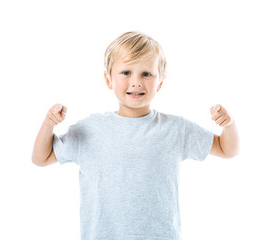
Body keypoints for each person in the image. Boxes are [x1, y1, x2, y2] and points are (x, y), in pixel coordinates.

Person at [31, 31, 239, 240]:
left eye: (146, 74)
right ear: (108, 78)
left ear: (160, 82)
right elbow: (41, 158)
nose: (136, 82)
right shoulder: (89, 129)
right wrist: (49, 123)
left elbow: (226, 149)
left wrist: (228, 124)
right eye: (126, 72)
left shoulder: (176, 129)